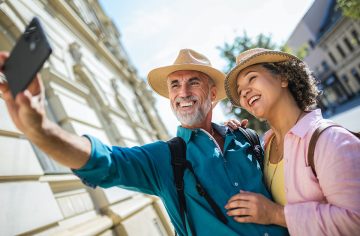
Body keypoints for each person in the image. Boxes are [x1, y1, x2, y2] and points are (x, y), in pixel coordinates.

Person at [0, 49, 287, 236]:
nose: (182, 92)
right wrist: (40, 129)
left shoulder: (246, 138)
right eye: (175, 85)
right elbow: (105, 162)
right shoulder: (165, 158)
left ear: (212, 92)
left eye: (193, 82)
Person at [223, 48, 360, 235]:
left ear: (283, 78)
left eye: (252, 78)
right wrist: (233, 134)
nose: (244, 92)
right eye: (239, 91)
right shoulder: (265, 147)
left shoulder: (329, 139)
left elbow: (355, 220)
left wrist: (276, 214)